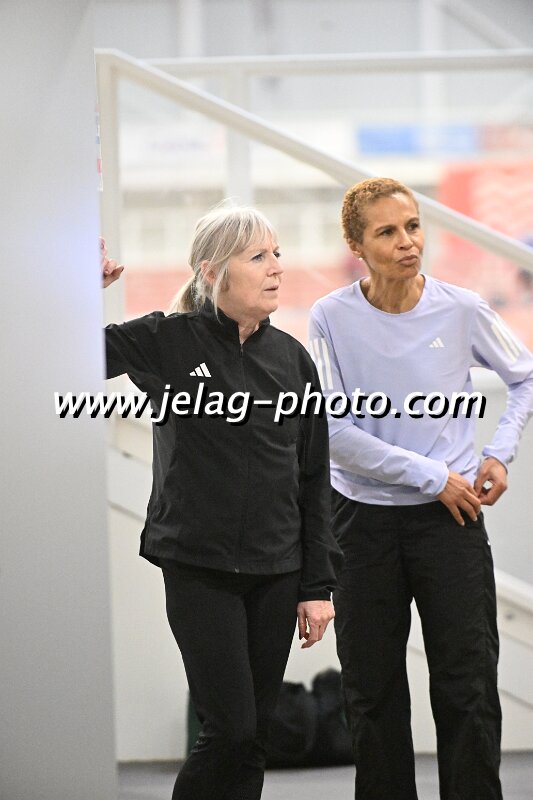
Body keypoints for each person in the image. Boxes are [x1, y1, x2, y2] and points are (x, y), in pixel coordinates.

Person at [101, 206, 340, 800]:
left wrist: (317, 585)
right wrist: (81, 290)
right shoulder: (166, 341)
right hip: (198, 566)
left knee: (254, 737)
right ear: (212, 271)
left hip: (277, 570)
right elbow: (58, 353)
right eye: (258, 256)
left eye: (277, 254)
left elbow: (314, 476)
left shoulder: (292, 360)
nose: (277, 267)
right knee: (230, 729)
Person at [308, 177, 533, 800]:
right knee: (371, 693)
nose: (407, 242)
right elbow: (333, 430)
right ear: (357, 246)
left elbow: (524, 376)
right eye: (387, 232)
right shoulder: (329, 317)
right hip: (361, 524)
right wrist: (432, 477)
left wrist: (499, 451)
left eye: (412, 226)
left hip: (451, 524)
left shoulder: (461, 309)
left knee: (468, 687)